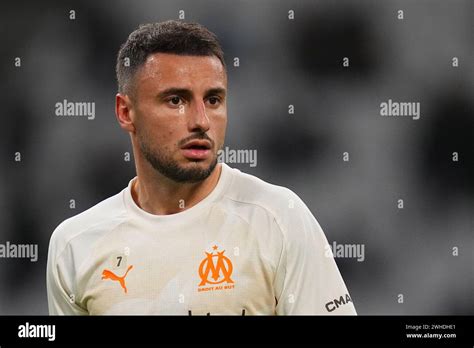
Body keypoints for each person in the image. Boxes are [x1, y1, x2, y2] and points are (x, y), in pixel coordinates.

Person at [47, 20, 357, 315]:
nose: (201, 121)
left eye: (213, 100)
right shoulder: (74, 246)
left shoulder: (278, 218)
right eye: (175, 100)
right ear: (126, 112)